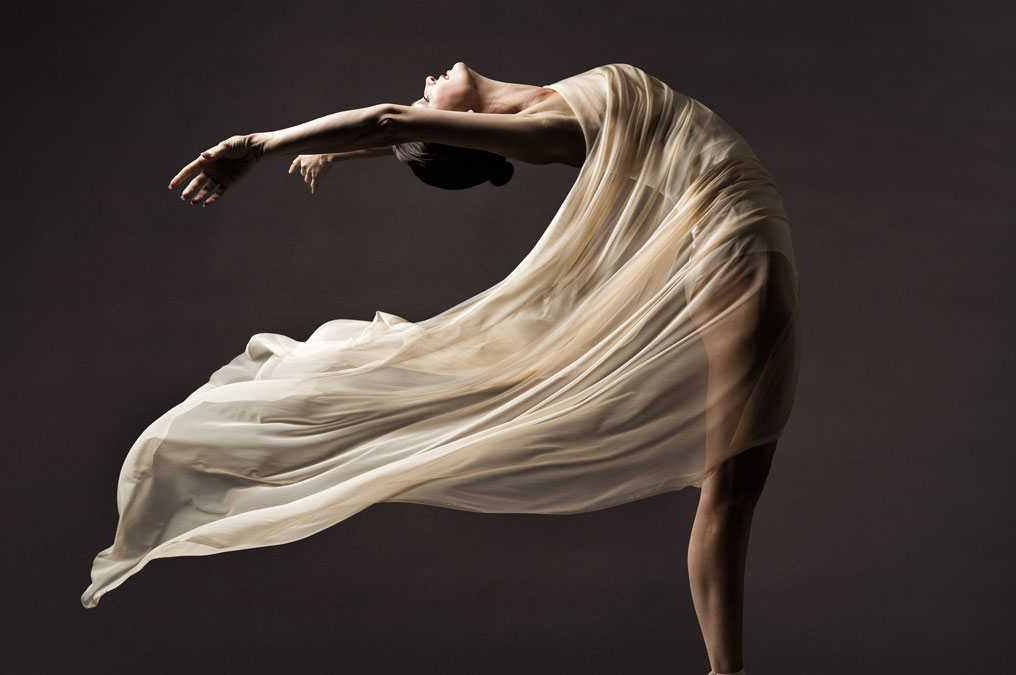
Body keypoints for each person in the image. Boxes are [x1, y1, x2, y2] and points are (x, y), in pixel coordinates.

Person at [85, 62, 801, 675]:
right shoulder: (549, 131)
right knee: (732, 484)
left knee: (733, 484)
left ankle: (725, 671)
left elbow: (400, 125)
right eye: (429, 107)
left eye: (427, 107)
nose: (426, 88)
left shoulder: (546, 106)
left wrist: (354, 149)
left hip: (738, 250)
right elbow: (396, 120)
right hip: (738, 257)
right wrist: (262, 145)